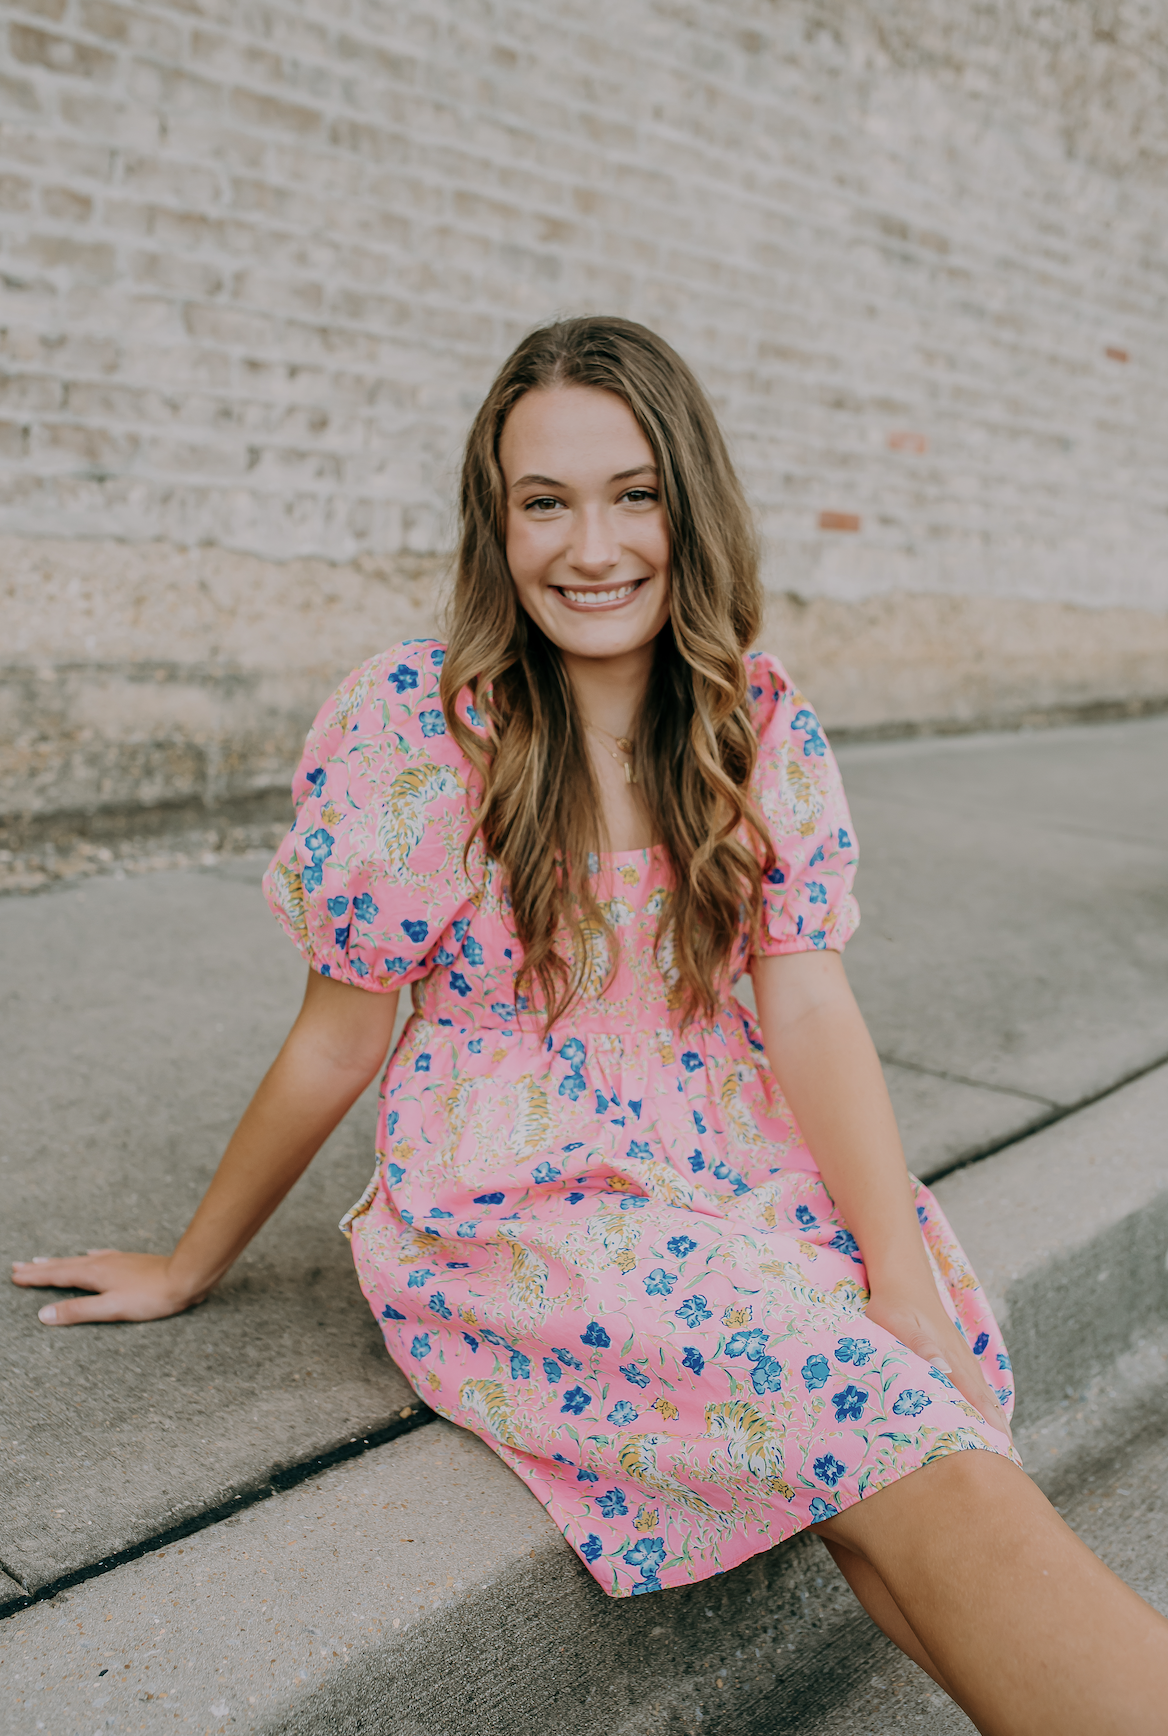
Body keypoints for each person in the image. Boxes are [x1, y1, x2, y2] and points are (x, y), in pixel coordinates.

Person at [13, 317, 1166, 1731]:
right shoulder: (421, 725)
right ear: (494, 524)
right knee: (907, 1441)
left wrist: (898, 1271)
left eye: (635, 495)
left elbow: (809, 1001)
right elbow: (337, 1038)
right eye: (544, 503)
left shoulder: (751, 717)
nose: (593, 546)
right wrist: (191, 1264)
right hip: (519, 1199)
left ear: (693, 504)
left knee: (925, 1424)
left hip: (735, 1162)